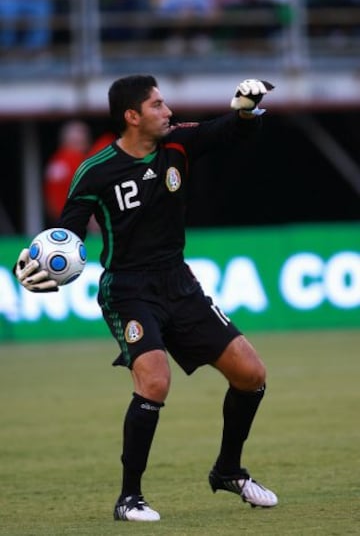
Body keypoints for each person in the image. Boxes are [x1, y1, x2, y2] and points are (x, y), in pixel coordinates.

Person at [14, 74, 278, 522]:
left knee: (252, 375)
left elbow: (228, 130)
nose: (168, 111)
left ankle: (228, 470)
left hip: (179, 282)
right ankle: (129, 498)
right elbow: (67, 236)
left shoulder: (177, 145)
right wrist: (44, 265)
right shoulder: (95, 171)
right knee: (154, 381)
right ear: (132, 116)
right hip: (128, 289)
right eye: (157, 105)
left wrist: (247, 110)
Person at [43, 120, 91, 225]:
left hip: (58, 216)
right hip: (77, 216)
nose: (85, 145)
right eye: (81, 142)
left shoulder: (55, 161)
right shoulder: (77, 161)